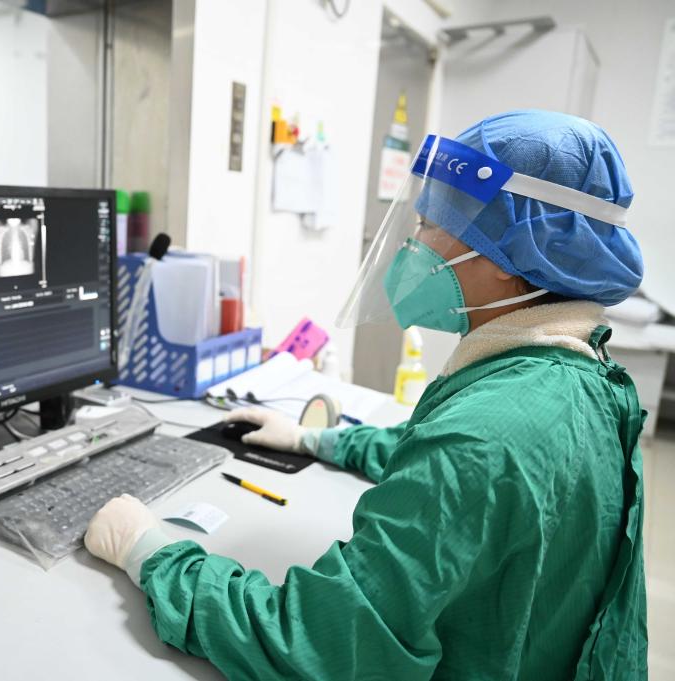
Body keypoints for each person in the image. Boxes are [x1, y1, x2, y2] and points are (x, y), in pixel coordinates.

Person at [84, 110, 648, 680]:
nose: (414, 244)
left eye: (429, 224)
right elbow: (464, 474)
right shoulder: (575, 375)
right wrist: (316, 440)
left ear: (508, 252)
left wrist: (151, 553)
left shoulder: (484, 436)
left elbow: (319, 646)